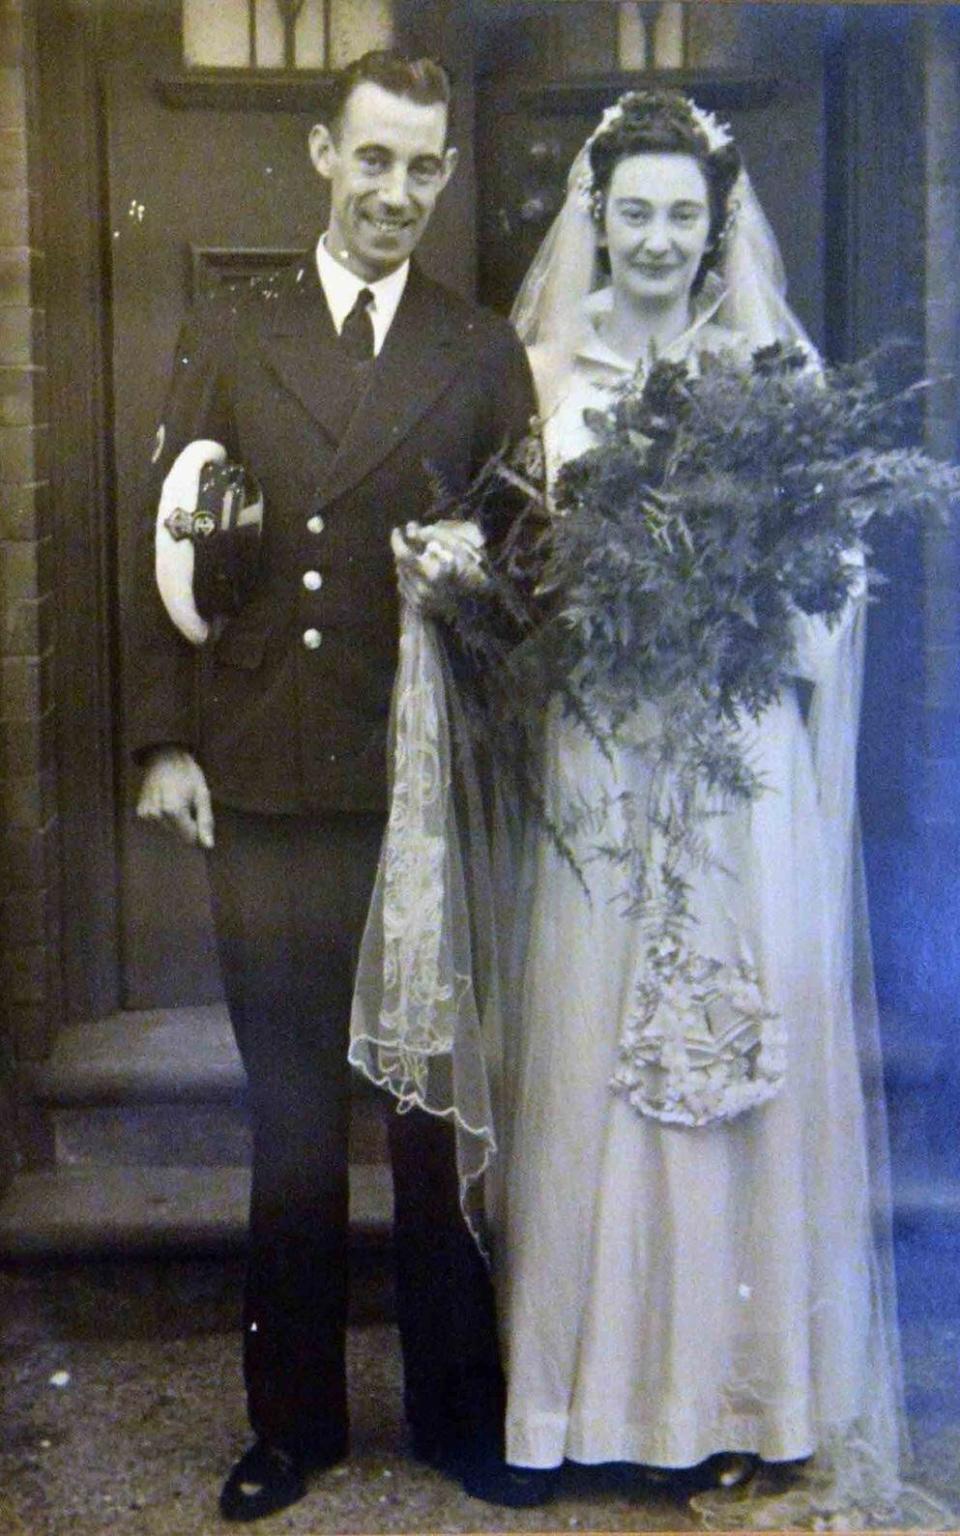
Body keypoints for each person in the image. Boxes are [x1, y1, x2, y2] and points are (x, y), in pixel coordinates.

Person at [130, 50, 542, 1523]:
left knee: (428, 1113)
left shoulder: (480, 347)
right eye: (373, 160)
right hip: (272, 772)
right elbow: (171, 540)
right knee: (294, 1112)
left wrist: (474, 585)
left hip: (421, 784)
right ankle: (291, 1426)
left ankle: (457, 1415)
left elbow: (529, 582)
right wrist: (170, 743)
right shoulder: (232, 332)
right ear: (322, 154)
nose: (396, 194)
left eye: (423, 169)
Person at [494, 90, 906, 1521]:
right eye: (636, 211)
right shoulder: (543, 374)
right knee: (600, 1057)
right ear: (596, 218)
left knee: (733, 1062)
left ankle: (750, 1398)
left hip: (736, 774)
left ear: (715, 224)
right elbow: (514, 573)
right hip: (605, 756)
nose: (660, 238)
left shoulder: (769, 372)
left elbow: (838, 576)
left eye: (684, 214)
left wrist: (757, 615)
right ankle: (589, 1403)